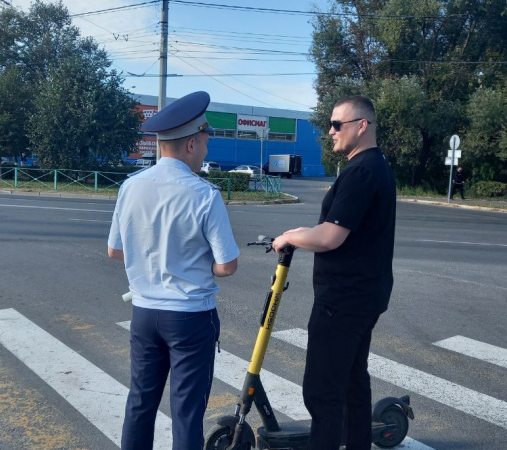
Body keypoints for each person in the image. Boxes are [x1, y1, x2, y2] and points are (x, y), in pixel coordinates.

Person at [107, 91, 240, 450]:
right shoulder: (204, 194)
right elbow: (227, 266)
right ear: (192, 144)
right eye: (207, 141)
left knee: (140, 403)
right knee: (186, 413)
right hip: (189, 318)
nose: (207, 149)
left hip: (145, 313)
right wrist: (193, 263)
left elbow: (114, 250)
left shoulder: (130, 186)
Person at [272, 95, 396, 450]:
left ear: (362, 126)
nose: (330, 132)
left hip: (343, 300)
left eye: (337, 124)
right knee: (353, 382)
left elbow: (329, 237)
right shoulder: (376, 166)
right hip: (364, 293)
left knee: (323, 392)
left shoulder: (361, 173)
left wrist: (289, 236)